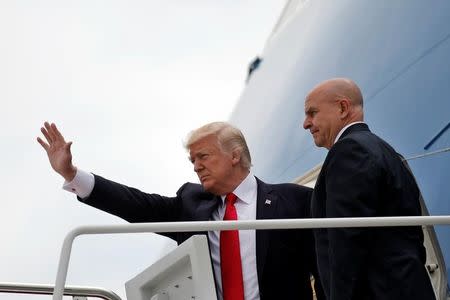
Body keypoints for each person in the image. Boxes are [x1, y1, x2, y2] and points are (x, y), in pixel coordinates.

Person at [38, 121, 323, 300]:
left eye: (203, 156)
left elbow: (324, 270)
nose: (196, 166)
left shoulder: (295, 200)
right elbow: (137, 205)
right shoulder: (192, 203)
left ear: (235, 155)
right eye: (192, 160)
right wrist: (72, 174)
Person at [302, 78, 436, 300]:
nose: (305, 123)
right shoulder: (386, 151)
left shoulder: (349, 151)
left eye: (312, 113)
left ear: (342, 108)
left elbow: (346, 242)